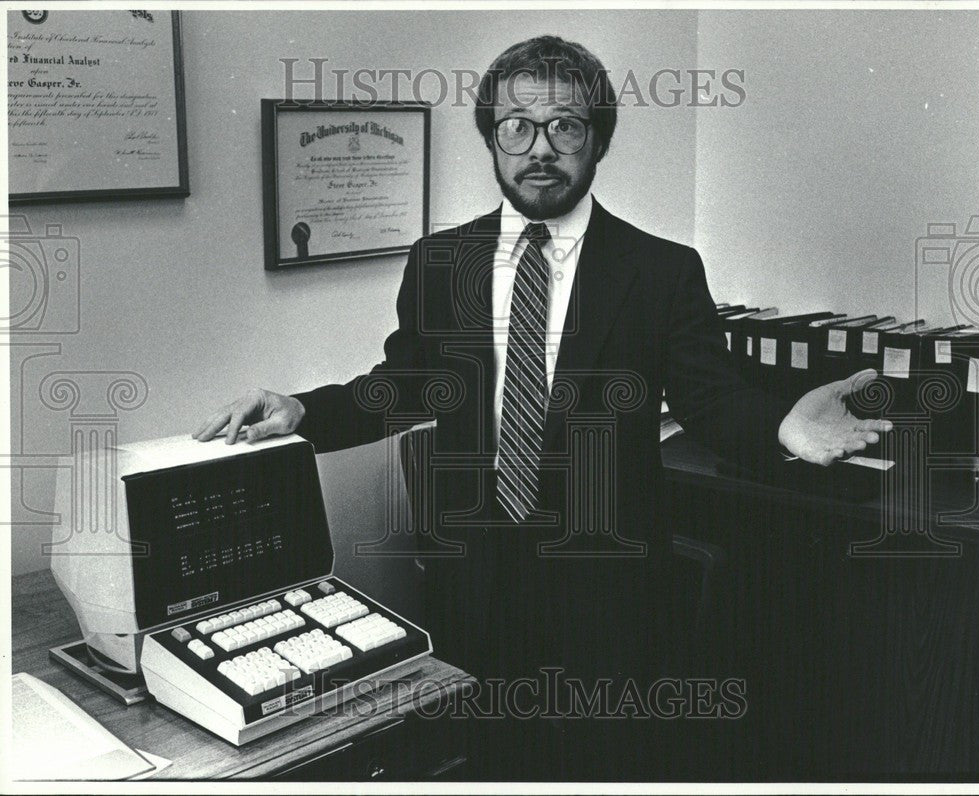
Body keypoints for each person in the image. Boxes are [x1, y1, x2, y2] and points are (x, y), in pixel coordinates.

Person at [193, 35, 891, 779]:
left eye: (566, 127)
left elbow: (710, 396)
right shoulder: (441, 260)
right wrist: (303, 411)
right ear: (493, 139)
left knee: (602, 768)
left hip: (609, 591)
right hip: (475, 577)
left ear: (598, 142)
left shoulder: (659, 270)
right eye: (517, 127)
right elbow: (407, 382)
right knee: (489, 764)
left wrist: (782, 426)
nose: (540, 149)